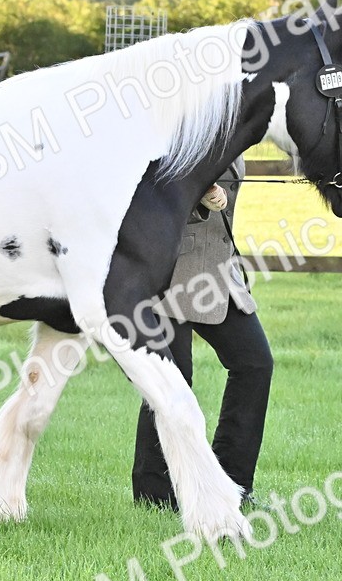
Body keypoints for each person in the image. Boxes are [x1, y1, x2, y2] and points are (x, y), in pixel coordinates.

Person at [131, 156, 274, 509]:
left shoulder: (234, 123)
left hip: (217, 273)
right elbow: (146, 181)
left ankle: (231, 486)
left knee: (255, 363)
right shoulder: (177, 116)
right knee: (171, 382)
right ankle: (155, 495)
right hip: (169, 272)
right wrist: (196, 198)